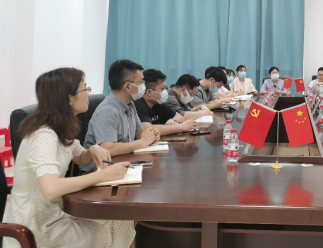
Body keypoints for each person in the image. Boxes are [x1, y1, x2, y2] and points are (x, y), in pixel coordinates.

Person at [5, 68, 135, 248]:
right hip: (36, 229)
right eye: (85, 88)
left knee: (121, 218)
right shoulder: (44, 135)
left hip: (55, 213)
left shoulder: (60, 128)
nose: (88, 94)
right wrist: (103, 175)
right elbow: (50, 188)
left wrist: (93, 149)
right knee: (116, 223)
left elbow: (80, 157)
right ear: (68, 98)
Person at [82, 59, 160, 171]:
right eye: (141, 82)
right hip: (96, 169)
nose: (144, 86)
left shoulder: (130, 104)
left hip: (121, 161)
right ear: (128, 86)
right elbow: (108, 149)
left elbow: (139, 132)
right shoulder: (108, 110)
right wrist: (143, 141)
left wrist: (150, 135)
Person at [134, 69, 197, 136]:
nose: (165, 91)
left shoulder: (158, 104)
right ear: (149, 92)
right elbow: (148, 129)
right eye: (162, 88)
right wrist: (181, 127)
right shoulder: (138, 105)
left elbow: (179, 116)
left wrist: (173, 121)